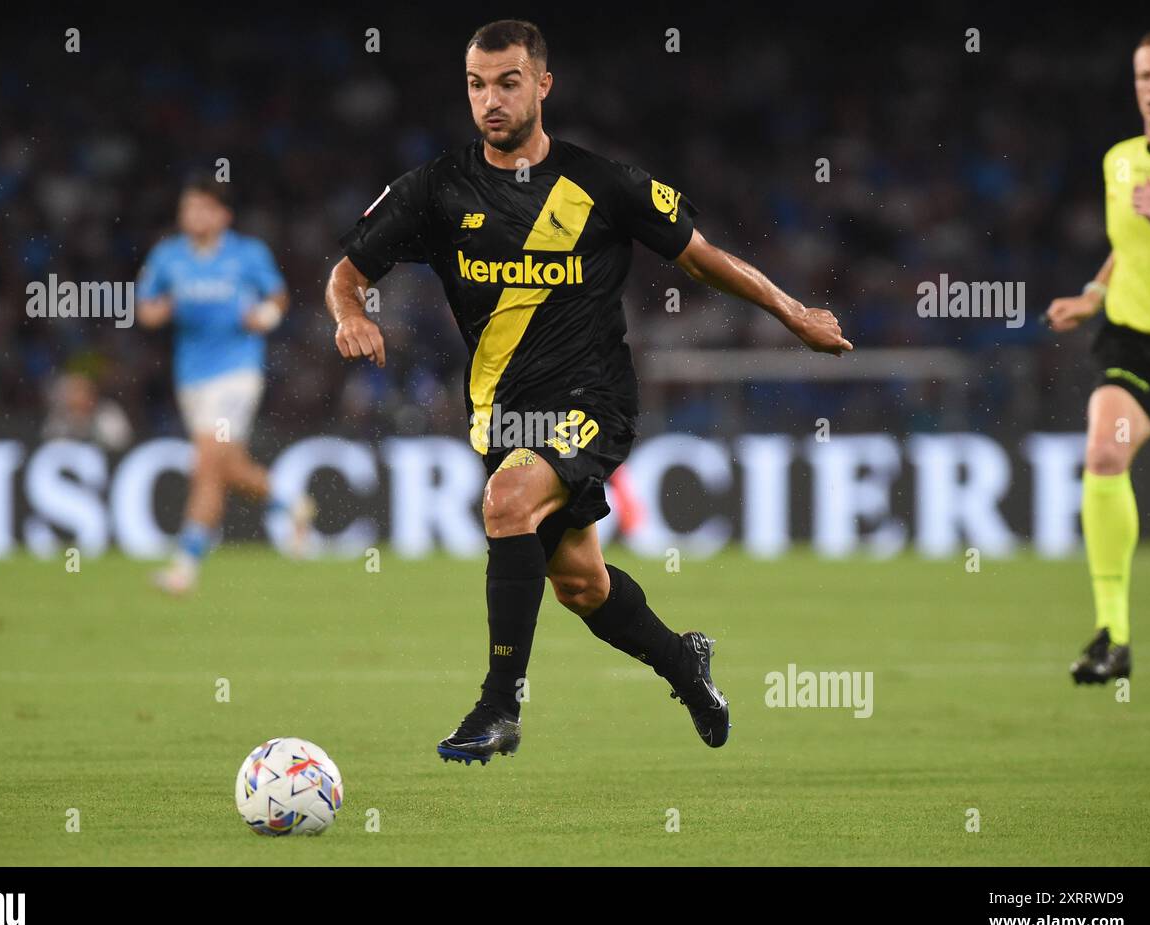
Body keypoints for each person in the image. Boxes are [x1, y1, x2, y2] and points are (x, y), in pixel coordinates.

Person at [326, 20, 851, 763]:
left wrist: (794, 314)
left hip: (590, 404)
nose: (491, 100)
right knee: (580, 585)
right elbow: (348, 272)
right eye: (477, 85)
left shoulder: (602, 184)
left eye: (508, 82)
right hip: (501, 419)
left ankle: (497, 706)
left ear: (543, 84)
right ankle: (684, 663)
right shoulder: (439, 188)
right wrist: (349, 315)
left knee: (506, 504)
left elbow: (703, 260)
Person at [1046, 29, 1150, 684]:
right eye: (1146, 77)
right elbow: (1130, 247)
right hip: (1140, 348)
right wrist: (1093, 294)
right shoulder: (1120, 160)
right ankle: (1114, 635)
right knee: (1103, 453)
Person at [138, 176, 314, 595]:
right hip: (191, 378)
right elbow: (145, 311)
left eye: (202, 209)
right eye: (188, 209)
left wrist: (264, 318)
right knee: (228, 466)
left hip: (237, 373)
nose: (193, 217)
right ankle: (292, 504)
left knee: (206, 464)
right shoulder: (167, 257)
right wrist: (161, 311)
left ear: (223, 216)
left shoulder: (247, 254)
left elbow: (278, 298)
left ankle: (185, 565)